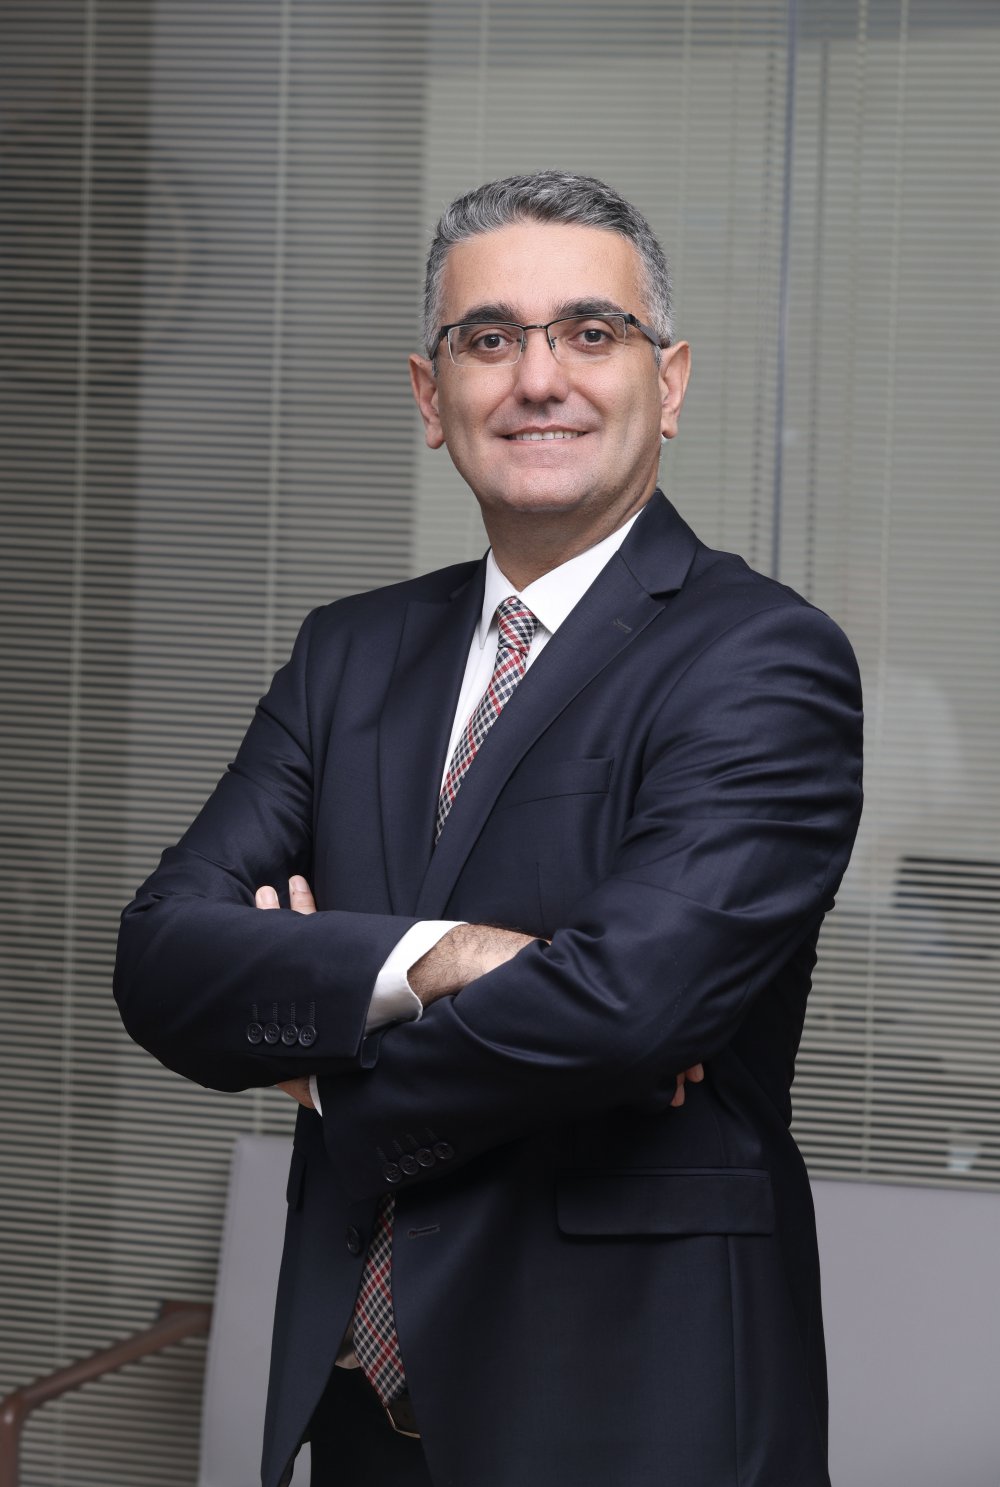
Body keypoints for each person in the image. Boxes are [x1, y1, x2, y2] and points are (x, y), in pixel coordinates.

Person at [114, 170, 863, 1487]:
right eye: (489, 338)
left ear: (669, 383)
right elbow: (164, 957)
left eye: (591, 332)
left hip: (632, 1413)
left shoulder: (761, 660)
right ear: (431, 395)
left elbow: (629, 1011)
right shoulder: (347, 657)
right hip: (360, 1417)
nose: (538, 379)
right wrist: (449, 958)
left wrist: (327, 1037)